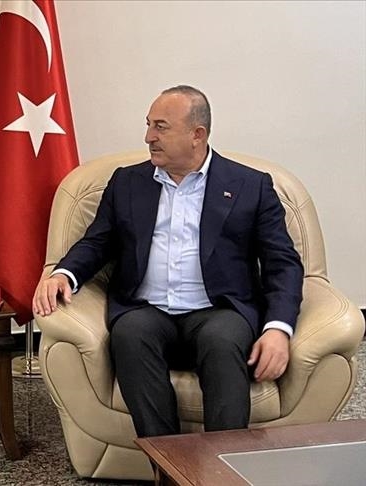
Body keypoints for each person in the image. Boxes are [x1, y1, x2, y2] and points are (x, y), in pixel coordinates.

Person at [32, 86, 303, 437]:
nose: (149, 137)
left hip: (219, 312)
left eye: (160, 127)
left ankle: (224, 462)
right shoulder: (127, 182)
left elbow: (283, 264)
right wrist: (64, 274)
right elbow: (97, 242)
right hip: (146, 310)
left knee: (223, 342)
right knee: (130, 334)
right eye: (148, 125)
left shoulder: (251, 186)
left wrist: (278, 329)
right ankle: (166, 463)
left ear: (197, 134)